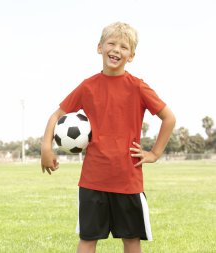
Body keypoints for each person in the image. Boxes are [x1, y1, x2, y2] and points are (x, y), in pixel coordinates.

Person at [40, 22, 176, 253]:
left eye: (124, 46)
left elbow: (169, 118)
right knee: (88, 238)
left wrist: (154, 153)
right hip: (93, 179)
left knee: (131, 239)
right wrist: (46, 147)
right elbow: (57, 115)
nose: (116, 49)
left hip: (128, 179)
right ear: (99, 47)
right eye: (111, 43)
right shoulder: (87, 86)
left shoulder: (138, 87)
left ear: (131, 55)